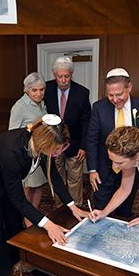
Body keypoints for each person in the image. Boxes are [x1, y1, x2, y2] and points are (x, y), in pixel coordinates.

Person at [0, 116, 89, 276]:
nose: (58, 153)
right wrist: (49, 225)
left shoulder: (44, 145)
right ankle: (3, 272)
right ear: (43, 143)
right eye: (56, 150)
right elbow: (19, 199)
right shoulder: (11, 152)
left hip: (8, 181)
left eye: (62, 148)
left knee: (13, 222)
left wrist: (73, 207)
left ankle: (22, 262)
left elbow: (54, 177)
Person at [85, 68, 139, 220]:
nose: (115, 99)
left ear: (129, 87)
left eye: (119, 94)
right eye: (110, 95)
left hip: (132, 168)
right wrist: (92, 169)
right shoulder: (99, 107)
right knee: (101, 205)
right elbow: (91, 139)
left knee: (125, 208)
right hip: (104, 168)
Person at [44, 55, 91, 205]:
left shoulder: (82, 92)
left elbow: (86, 122)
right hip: (53, 144)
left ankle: (76, 207)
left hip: (75, 143)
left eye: (67, 76)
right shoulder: (46, 89)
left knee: (75, 179)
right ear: (54, 75)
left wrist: (84, 146)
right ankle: (60, 209)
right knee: (56, 178)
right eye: (60, 76)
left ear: (71, 74)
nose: (63, 80)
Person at [8, 72, 49, 210]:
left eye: (41, 89)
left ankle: (34, 214)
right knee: (28, 187)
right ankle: (26, 217)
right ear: (27, 90)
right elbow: (12, 133)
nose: (38, 93)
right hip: (26, 154)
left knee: (39, 185)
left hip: (40, 152)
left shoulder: (42, 104)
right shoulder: (19, 107)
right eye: (34, 90)